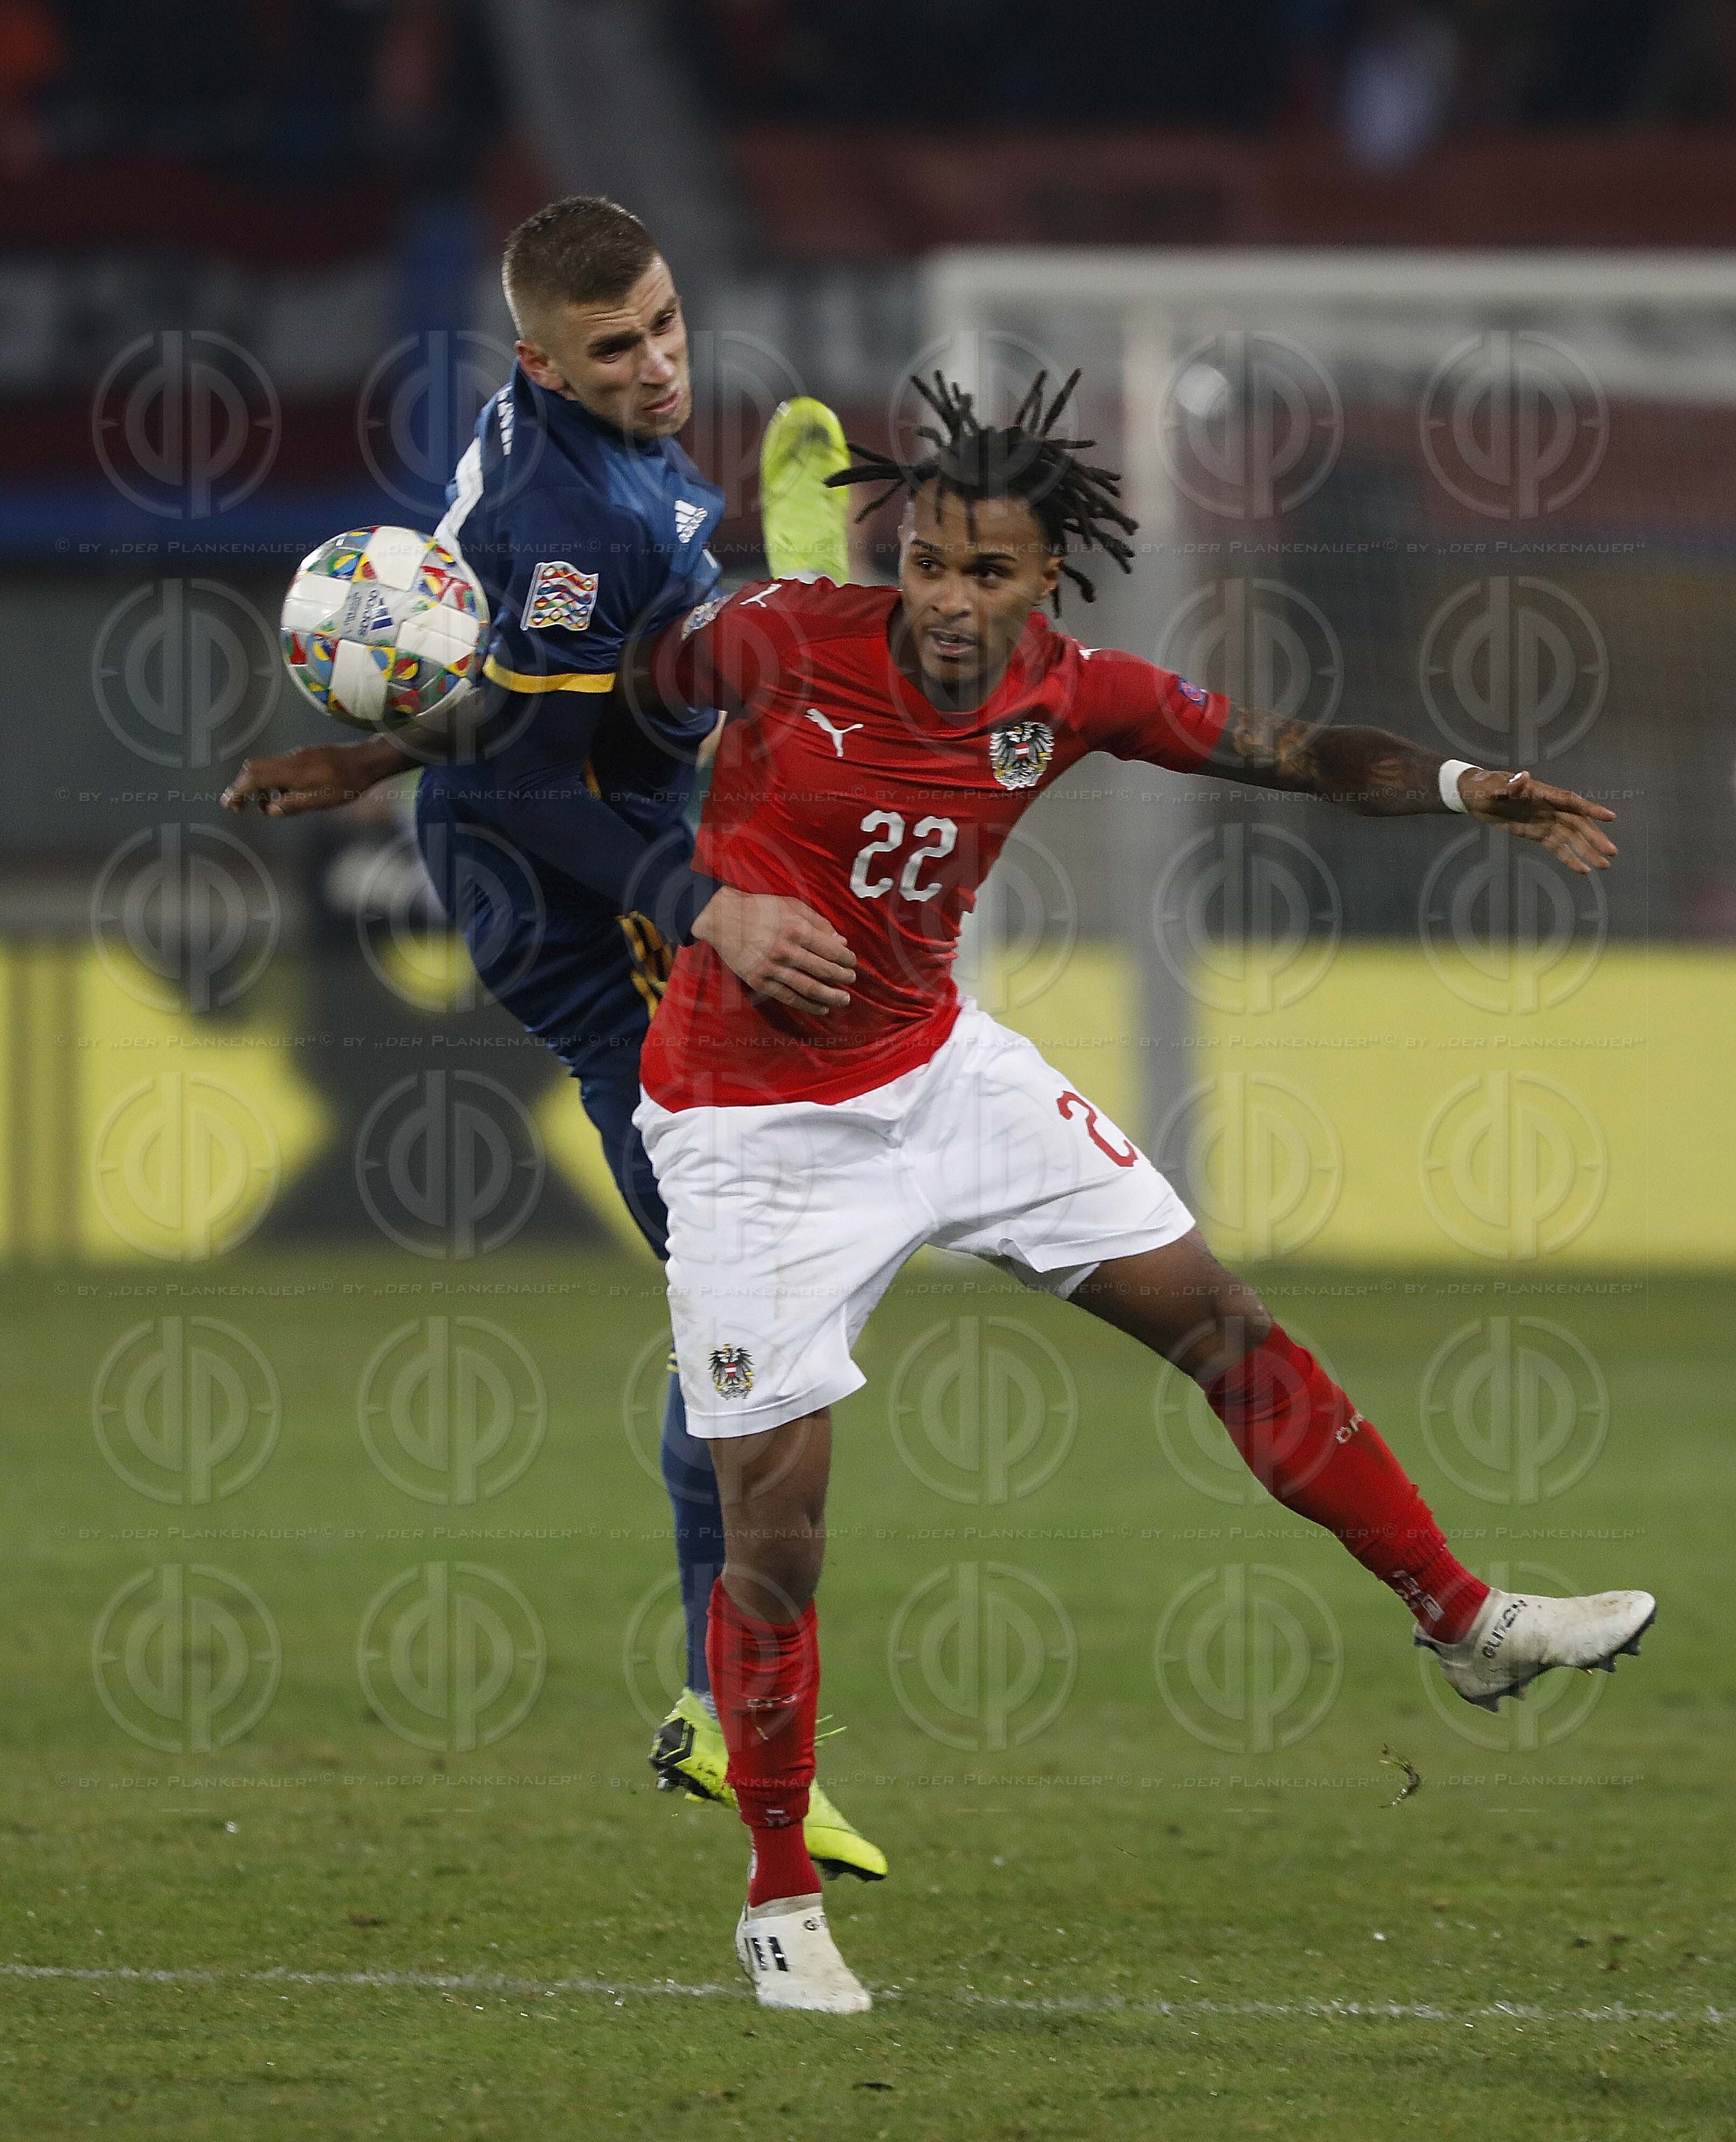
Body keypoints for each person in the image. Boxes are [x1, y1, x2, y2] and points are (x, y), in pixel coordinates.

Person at [620, 372, 1657, 2013]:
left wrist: (1467, 787)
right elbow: (595, 716)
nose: (954, 602)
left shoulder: (1069, 689)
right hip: (746, 1131)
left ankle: (1464, 1621)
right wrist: (691, 893)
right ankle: (777, 1894)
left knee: (1223, 1323)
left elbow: (1301, 754)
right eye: (934, 565)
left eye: (992, 575)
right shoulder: (776, 637)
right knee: (781, 1527)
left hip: (942, 1076)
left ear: (1047, 581)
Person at [222, 195, 885, 1883]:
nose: (661, 361)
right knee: (740, 1292)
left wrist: (359, 761)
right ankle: (721, 1705)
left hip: (613, 819)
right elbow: (518, 772)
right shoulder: (554, 505)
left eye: (666, 323)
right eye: (620, 346)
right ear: (539, 359)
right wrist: (692, 900)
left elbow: (518, 695)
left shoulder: (596, 459)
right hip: (560, 895)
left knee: (753, 1289)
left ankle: (722, 1694)